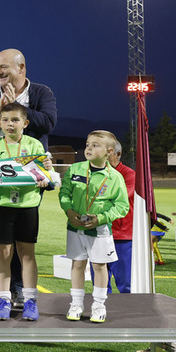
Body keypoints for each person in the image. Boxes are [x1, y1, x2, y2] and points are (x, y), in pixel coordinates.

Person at [0, 48, 58, 303]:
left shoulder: (42, 92)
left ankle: (17, 288)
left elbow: (48, 123)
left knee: (21, 242)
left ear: (22, 68)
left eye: (4, 67)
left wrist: (18, 109)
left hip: (28, 180)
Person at [0, 101, 55, 321]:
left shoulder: (35, 146)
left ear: (25, 122)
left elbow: (45, 175)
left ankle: (30, 300)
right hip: (1, 206)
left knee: (27, 254)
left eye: (15, 120)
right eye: (5, 120)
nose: (10, 124)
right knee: (3, 253)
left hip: (27, 206)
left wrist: (47, 177)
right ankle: (3, 299)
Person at [58, 130, 129, 324]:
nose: (89, 148)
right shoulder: (75, 169)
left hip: (99, 230)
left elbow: (122, 206)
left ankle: (99, 305)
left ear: (109, 151)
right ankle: (76, 304)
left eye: (95, 145)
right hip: (75, 227)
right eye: (88, 144)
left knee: (99, 265)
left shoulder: (115, 177)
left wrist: (102, 218)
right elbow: (64, 193)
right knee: (77, 264)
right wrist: (68, 211)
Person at [105, 141, 135, 292]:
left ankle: (127, 313)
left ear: (118, 154)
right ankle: (101, 311)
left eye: (107, 152)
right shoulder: (94, 173)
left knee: (125, 283)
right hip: (99, 232)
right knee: (100, 284)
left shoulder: (129, 174)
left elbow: (121, 197)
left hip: (122, 235)